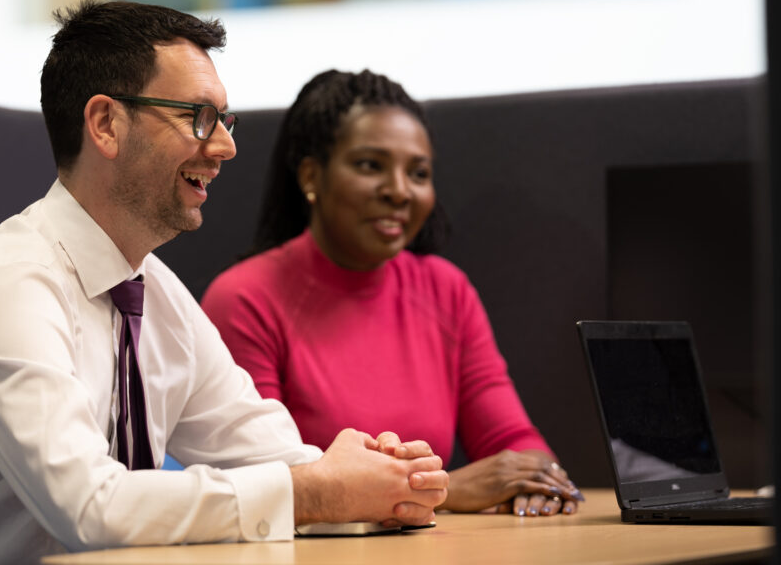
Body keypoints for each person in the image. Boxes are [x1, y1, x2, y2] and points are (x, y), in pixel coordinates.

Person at [0, 1, 449, 565]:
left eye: (225, 120)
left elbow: (280, 462)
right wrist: (317, 492)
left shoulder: (152, 291)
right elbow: (92, 509)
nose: (226, 146)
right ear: (106, 124)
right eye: (199, 118)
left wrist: (385, 485)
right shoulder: (8, 288)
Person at [201, 69, 583, 519]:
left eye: (418, 173)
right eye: (370, 165)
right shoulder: (244, 298)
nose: (400, 191)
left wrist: (535, 483)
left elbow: (515, 444)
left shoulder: (446, 290)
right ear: (311, 176)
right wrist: (446, 490)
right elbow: (270, 480)